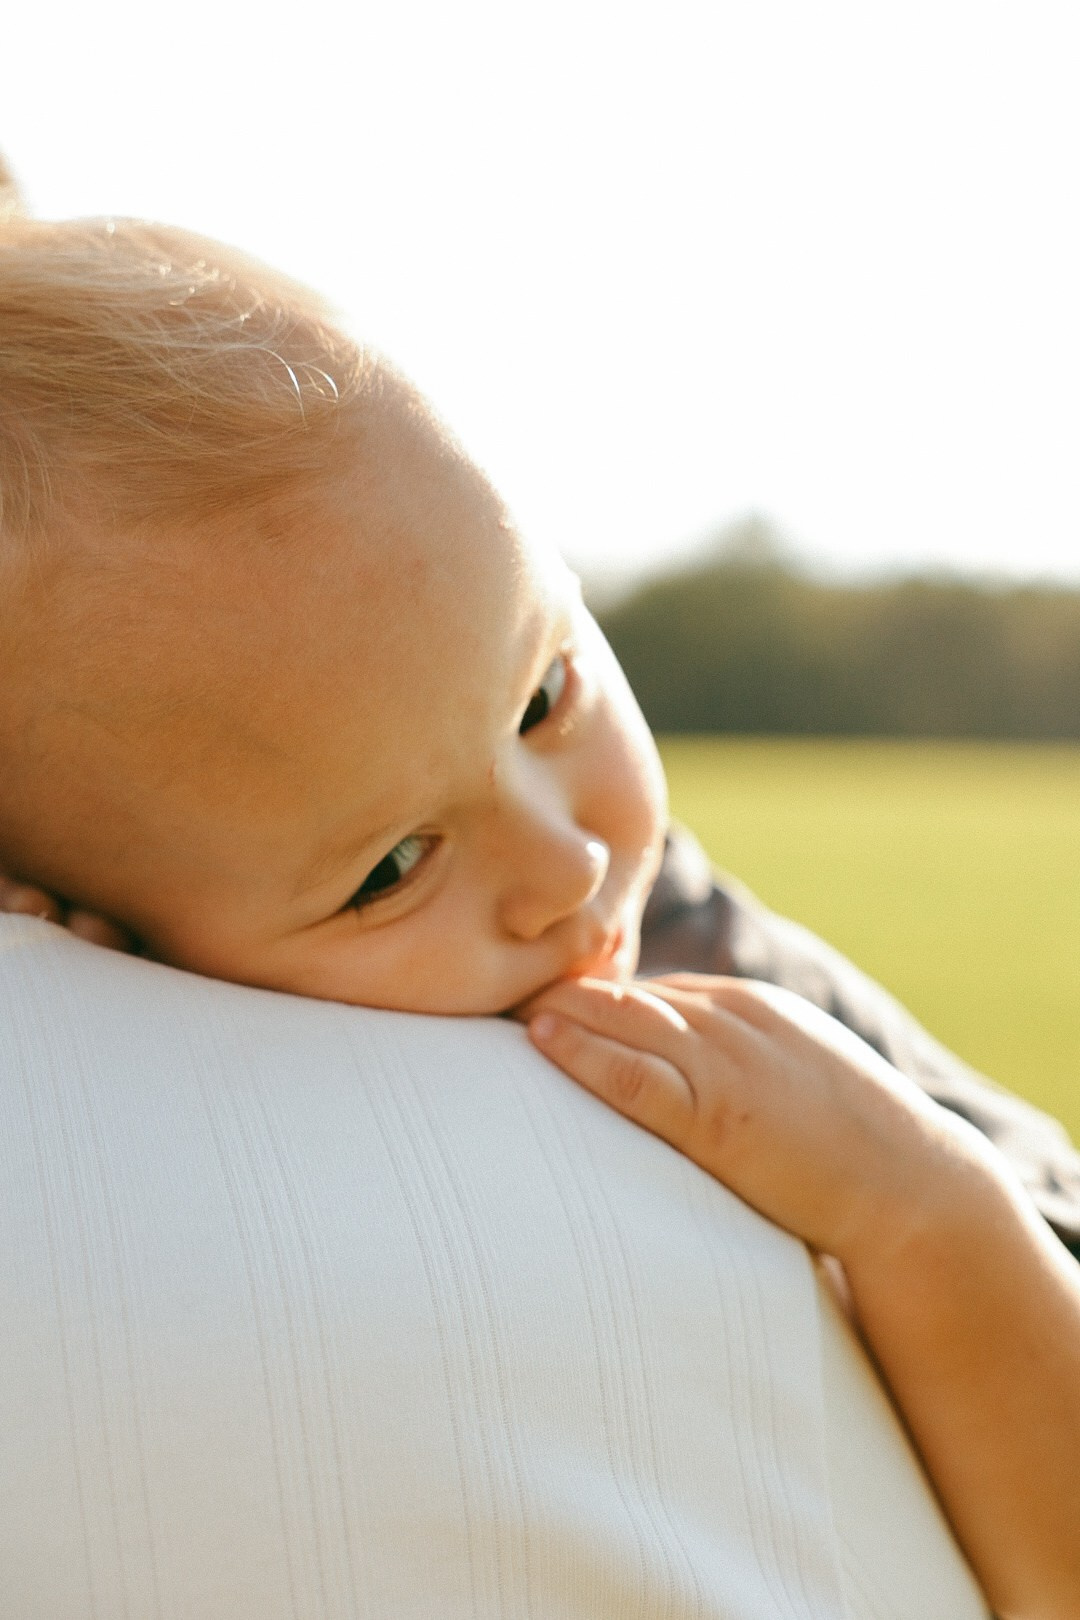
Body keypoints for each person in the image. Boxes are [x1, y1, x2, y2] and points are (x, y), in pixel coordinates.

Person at [1, 162, 1078, 1615]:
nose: (567, 862)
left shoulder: (724, 988)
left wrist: (923, 1213)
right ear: (77, 935)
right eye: (392, 867)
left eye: (544, 694)